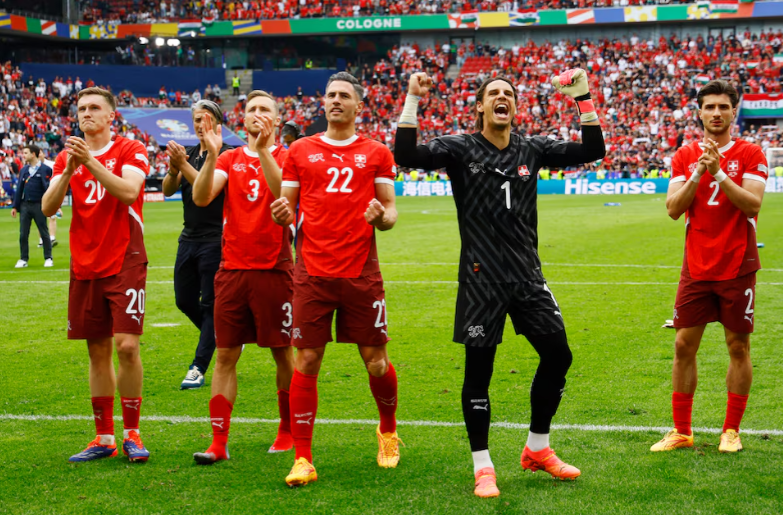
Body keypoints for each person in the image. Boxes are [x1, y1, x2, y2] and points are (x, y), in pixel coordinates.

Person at [394, 70, 606, 497]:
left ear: (515, 106)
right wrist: (413, 101)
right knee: (479, 373)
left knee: (558, 356)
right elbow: (407, 155)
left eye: (508, 93)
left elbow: (593, 149)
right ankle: (483, 465)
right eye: (493, 94)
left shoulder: (533, 147)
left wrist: (582, 96)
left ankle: (537, 449)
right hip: (481, 280)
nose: (501, 98)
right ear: (480, 106)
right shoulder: (459, 147)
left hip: (528, 277)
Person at [270, 72, 400, 487]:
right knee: (307, 359)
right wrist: (281, 214)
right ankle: (303, 457)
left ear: (359, 106)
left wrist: (382, 218)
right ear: (322, 103)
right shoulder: (300, 150)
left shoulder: (376, 152)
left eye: (345, 96)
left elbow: (390, 210)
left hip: (362, 272)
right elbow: (286, 206)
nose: (336, 101)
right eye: (331, 95)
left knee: (376, 360)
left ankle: (388, 431)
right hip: (311, 273)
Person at [654, 79, 767, 454]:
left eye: (723, 106)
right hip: (696, 267)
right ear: (699, 112)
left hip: (738, 265)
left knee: (738, 347)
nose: (716, 113)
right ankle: (681, 431)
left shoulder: (752, 152)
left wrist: (719, 172)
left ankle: (730, 431)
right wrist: (700, 172)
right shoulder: (685, 156)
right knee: (684, 345)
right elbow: (673, 209)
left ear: (735, 111)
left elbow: (752, 205)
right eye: (710, 107)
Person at [42, 87, 151, 463]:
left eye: (94, 108)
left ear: (111, 116)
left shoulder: (130, 149)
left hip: (125, 257)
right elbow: (48, 206)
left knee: (127, 345)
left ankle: (133, 433)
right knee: (97, 349)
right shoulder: (65, 157)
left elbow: (129, 191)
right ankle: (104, 436)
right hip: (85, 262)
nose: (86, 114)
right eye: (82, 109)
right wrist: (70, 168)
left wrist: (88, 162)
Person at [190, 90, 295, 463]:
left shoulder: (286, 155)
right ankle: (218, 443)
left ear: (277, 120)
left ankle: (286, 431)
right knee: (225, 356)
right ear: (243, 118)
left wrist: (264, 150)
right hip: (232, 270)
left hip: (275, 269)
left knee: (283, 354)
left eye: (265, 109)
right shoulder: (230, 158)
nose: (257, 114)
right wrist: (213, 154)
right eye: (251, 109)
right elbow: (201, 197)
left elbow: (282, 193)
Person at [162, 100, 232, 390]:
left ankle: (198, 366)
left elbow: (208, 193)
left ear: (217, 123)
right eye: (195, 120)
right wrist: (172, 168)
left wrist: (183, 166)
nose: (199, 125)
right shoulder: (188, 153)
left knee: (212, 304)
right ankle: (219, 334)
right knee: (184, 300)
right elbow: (168, 190)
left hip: (216, 239)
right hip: (188, 237)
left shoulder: (228, 154)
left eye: (204, 119)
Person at [12, 143, 53, 268]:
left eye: (25, 153)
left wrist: (52, 205)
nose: (23, 155)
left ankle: (48, 258)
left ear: (33, 154)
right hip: (25, 205)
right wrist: (15, 206)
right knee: (23, 233)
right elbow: (19, 188)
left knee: (44, 232)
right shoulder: (24, 170)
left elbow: (48, 188)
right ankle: (23, 259)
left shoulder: (46, 169)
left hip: (39, 205)